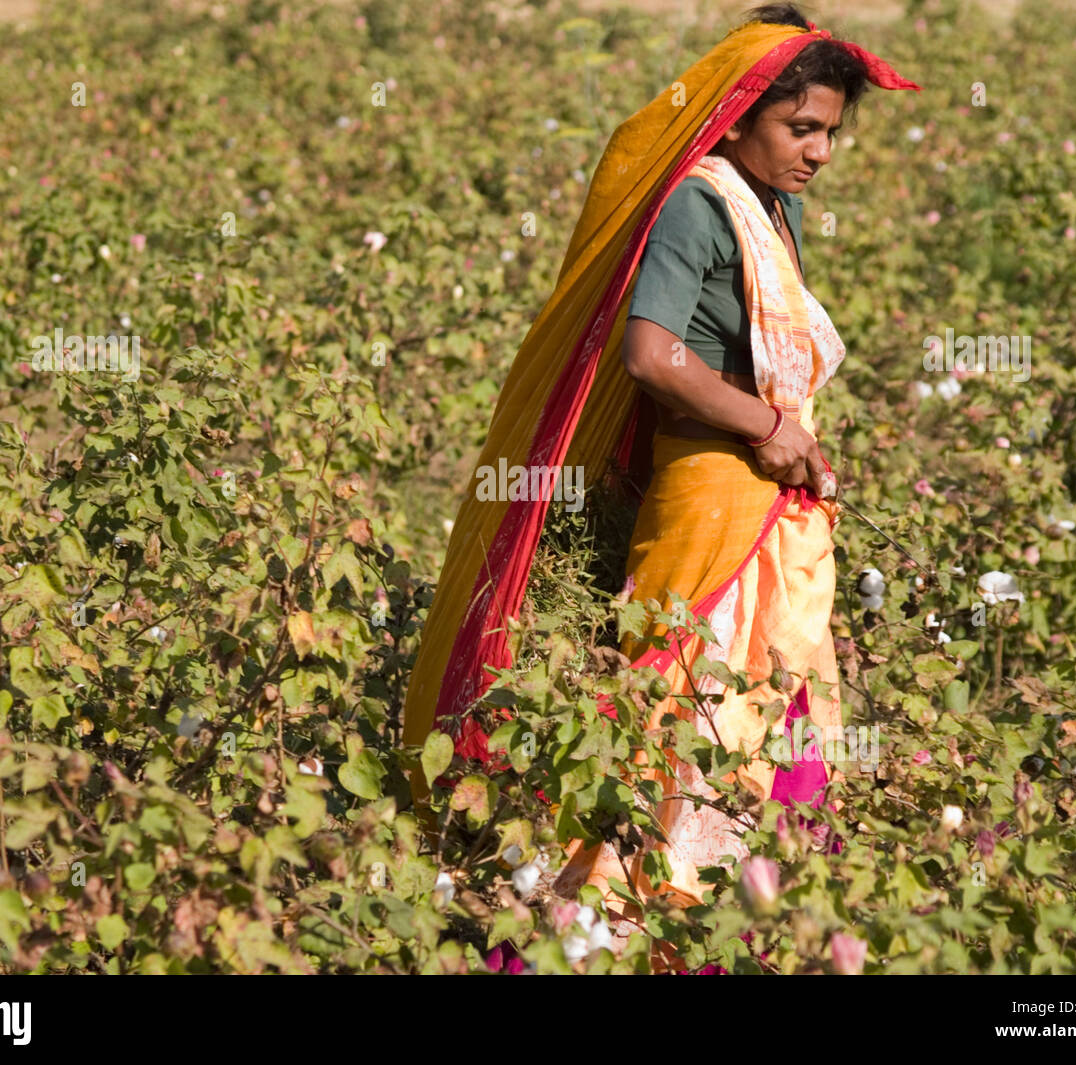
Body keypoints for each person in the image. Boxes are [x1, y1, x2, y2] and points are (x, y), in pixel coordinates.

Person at [399, 3, 918, 968]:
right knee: (670, 708)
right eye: (800, 128)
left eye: (831, 133)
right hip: (707, 495)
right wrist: (769, 424)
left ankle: (727, 925)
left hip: (761, 497)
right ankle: (600, 929)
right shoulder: (701, 202)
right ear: (735, 117)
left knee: (758, 711)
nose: (820, 153)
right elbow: (653, 353)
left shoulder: (773, 203)